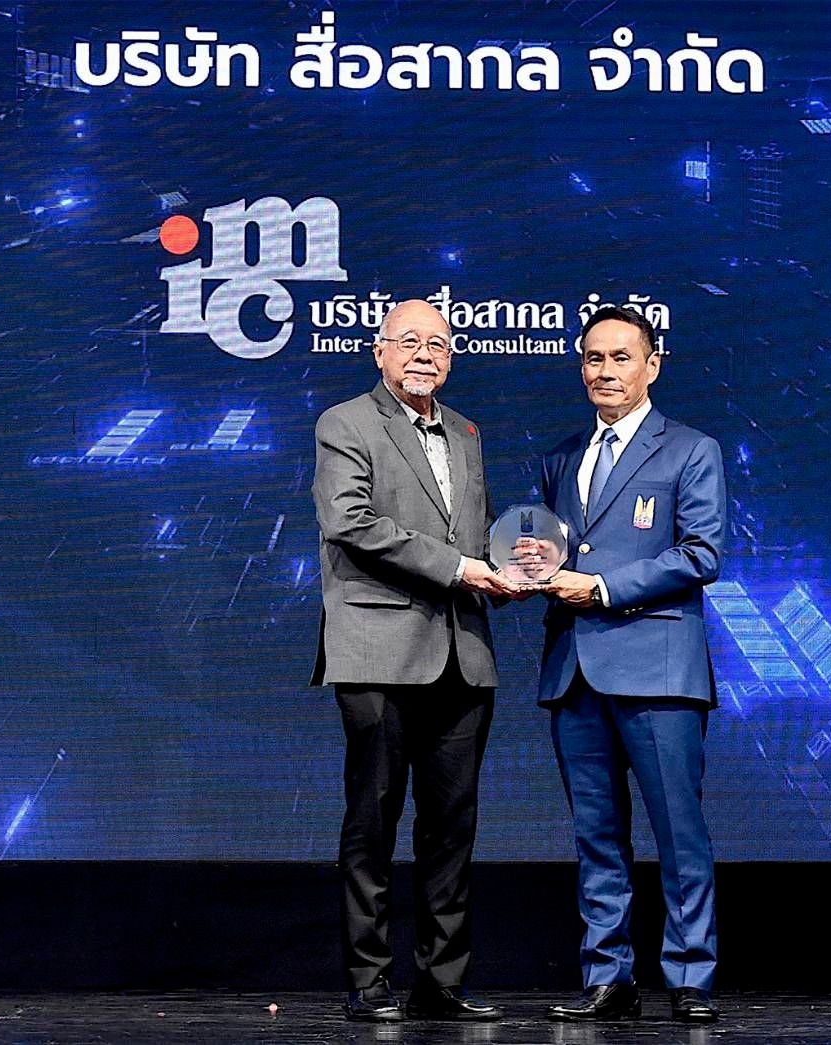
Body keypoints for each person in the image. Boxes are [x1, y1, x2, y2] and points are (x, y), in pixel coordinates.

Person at [311, 299, 522, 1022]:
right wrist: (462, 568)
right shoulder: (345, 423)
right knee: (372, 820)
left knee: (452, 826)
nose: (423, 354)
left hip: (463, 655)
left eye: (437, 343)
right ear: (379, 351)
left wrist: (512, 567)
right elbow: (350, 521)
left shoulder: (465, 431)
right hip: (378, 652)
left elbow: (472, 537)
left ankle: (441, 981)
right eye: (408, 341)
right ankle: (369, 980)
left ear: (452, 357)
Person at [536, 305, 728, 1024]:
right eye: (593, 358)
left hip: (658, 669)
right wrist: (534, 563)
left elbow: (701, 553)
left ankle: (690, 974)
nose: (605, 371)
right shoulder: (562, 457)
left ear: (653, 364)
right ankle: (607, 976)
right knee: (595, 835)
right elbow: (563, 551)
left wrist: (601, 588)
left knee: (678, 831)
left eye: (621, 357)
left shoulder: (691, 449)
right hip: (575, 670)